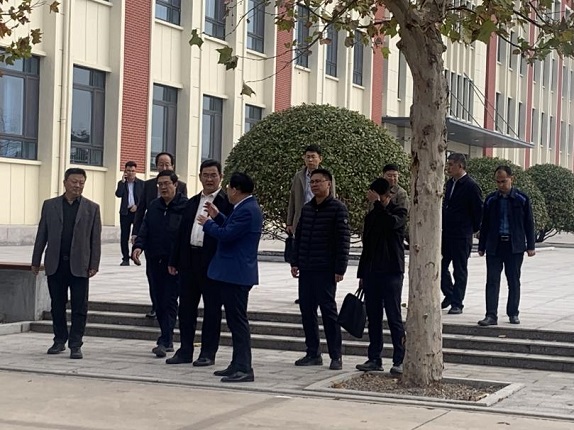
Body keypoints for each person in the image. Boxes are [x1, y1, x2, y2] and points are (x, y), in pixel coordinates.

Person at [197, 172, 263, 383]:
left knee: (238, 322)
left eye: (228, 188)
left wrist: (207, 224)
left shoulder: (248, 210)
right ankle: (237, 364)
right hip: (233, 272)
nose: (227, 192)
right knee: (234, 322)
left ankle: (244, 367)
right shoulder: (244, 207)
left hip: (236, 273)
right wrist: (218, 216)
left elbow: (227, 235)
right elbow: (231, 227)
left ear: (235, 189)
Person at [167, 159, 232, 366]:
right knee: (186, 308)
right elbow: (181, 233)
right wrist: (174, 259)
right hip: (189, 261)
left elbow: (228, 232)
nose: (209, 179)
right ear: (200, 177)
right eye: (206, 175)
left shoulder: (226, 203)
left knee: (212, 309)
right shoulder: (192, 202)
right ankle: (185, 350)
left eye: (214, 175)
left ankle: (207, 353)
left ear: (221, 177)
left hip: (213, 263)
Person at [31, 168, 102, 359]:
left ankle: (76, 344)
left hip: (80, 265)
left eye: (81, 182)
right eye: (74, 182)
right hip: (56, 264)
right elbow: (42, 234)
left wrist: (94, 263)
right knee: (57, 305)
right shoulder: (50, 205)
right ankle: (59, 340)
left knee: (80, 306)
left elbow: (95, 239)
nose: (78, 186)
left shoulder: (92, 208)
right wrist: (36, 261)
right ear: (64, 183)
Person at [290, 168, 350, 371]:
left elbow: (343, 241)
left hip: (325, 270)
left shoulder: (338, 209)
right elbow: (299, 237)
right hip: (306, 269)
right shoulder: (307, 209)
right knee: (307, 311)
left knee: (328, 313)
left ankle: (336, 355)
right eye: (312, 182)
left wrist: (340, 268)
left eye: (319, 181)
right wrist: (295, 261)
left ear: (328, 184)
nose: (315, 185)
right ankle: (313, 352)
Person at [132, 171, 188, 358]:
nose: (163, 187)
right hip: (154, 260)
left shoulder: (185, 207)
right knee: (157, 299)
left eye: (167, 183)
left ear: (175, 185)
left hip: (174, 263)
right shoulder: (154, 206)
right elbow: (145, 228)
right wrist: (138, 247)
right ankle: (166, 337)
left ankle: (166, 340)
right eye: (160, 184)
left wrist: (179, 259)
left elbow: (185, 236)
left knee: (169, 300)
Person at [356, 178, 407, 375]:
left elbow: (390, 224)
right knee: (374, 317)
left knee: (394, 316)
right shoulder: (371, 216)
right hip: (372, 272)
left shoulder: (399, 212)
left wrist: (379, 204)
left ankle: (400, 358)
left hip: (392, 271)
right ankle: (374, 357)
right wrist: (362, 274)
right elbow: (367, 247)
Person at [477, 165, 535, 326]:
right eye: (498, 182)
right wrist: (481, 246)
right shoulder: (491, 199)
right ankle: (491, 315)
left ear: (511, 179)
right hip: (495, 245)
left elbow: (529, 223)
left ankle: (513, 313)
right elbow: (485, 224)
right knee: (492, 281)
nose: (501, 185)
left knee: (513, 280)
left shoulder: (522, 198)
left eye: (504, 181)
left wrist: (531, 245)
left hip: (514, 246)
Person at [286, 144, 336, 304]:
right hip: (303, 218)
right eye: (307, 157)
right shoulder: (299, 176)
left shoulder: (327, 176)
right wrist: (290, 221)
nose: (310, 160)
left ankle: (321, 293)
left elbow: (333, 196)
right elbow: (293, 199)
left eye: (313, 157)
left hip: (321, 219)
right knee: (302, 254)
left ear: (320, 159)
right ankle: (304, 293)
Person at [441, 153, 483, 314]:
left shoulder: (471, 186)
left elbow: (478, 211)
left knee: (459, 269)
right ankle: (449, 293)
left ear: (460, 166)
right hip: (446, 232)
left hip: (462, 234)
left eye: (451, 164)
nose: (448, 167)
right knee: (440, 266)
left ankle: (457, 303)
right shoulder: (449, 183)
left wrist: (472, 229)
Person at [115, 161, 143, 266]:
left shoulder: (141, 184)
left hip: (136, 213)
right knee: (124, 236)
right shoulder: (121, 183)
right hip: (125, 213)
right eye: (128, 171)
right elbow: (118, 194)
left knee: (136, 235)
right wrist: (123, 182)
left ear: (136, 171)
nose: (131, 173)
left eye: (133, 171)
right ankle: (125, 258)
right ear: (125, 171)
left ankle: (135, 255)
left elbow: (144, 198)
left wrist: (137, 206)